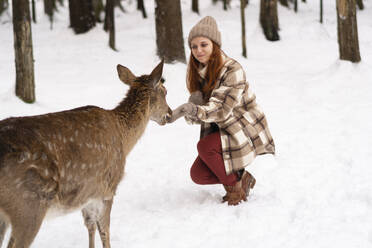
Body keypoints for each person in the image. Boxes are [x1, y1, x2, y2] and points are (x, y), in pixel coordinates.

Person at [167, 16, 275, 206]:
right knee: (198, 175)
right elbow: (201, 116)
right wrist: (194, 107)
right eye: (194, 47)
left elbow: (221, 110)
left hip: (243, 127)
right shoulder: (200, 72)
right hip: (222, 129)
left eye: (203, 44)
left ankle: (236, 191)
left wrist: (193, 109)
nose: (198, 50)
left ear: (214, 45)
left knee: (205, 147)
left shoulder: (233, 69)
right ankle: (242, 178)